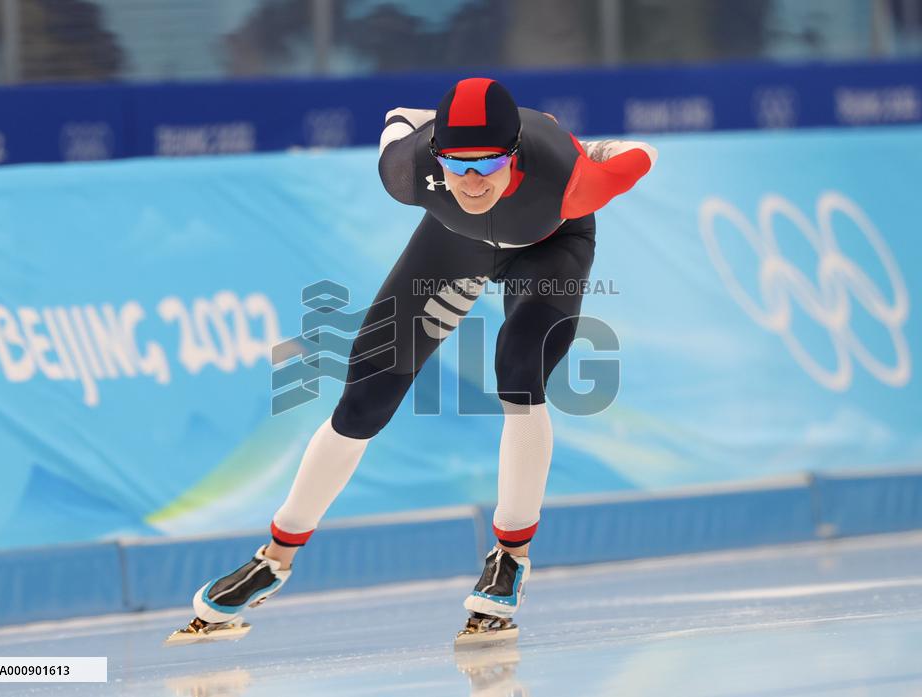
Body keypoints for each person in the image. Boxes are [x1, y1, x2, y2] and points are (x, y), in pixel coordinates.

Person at [172, 77, 657, 643]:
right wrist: (438, 124)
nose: (473, 181)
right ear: (437, 154)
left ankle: (510, 558)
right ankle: (273, 560)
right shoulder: (408, 171)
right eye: (458, 162)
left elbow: (642, 156)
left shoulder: (570, 181)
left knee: (520, 366)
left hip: (551, 240)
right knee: (364, 395)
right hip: (456, 240)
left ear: (515, 153)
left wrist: (597, 151)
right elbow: (399, 113)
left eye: (489, 163)